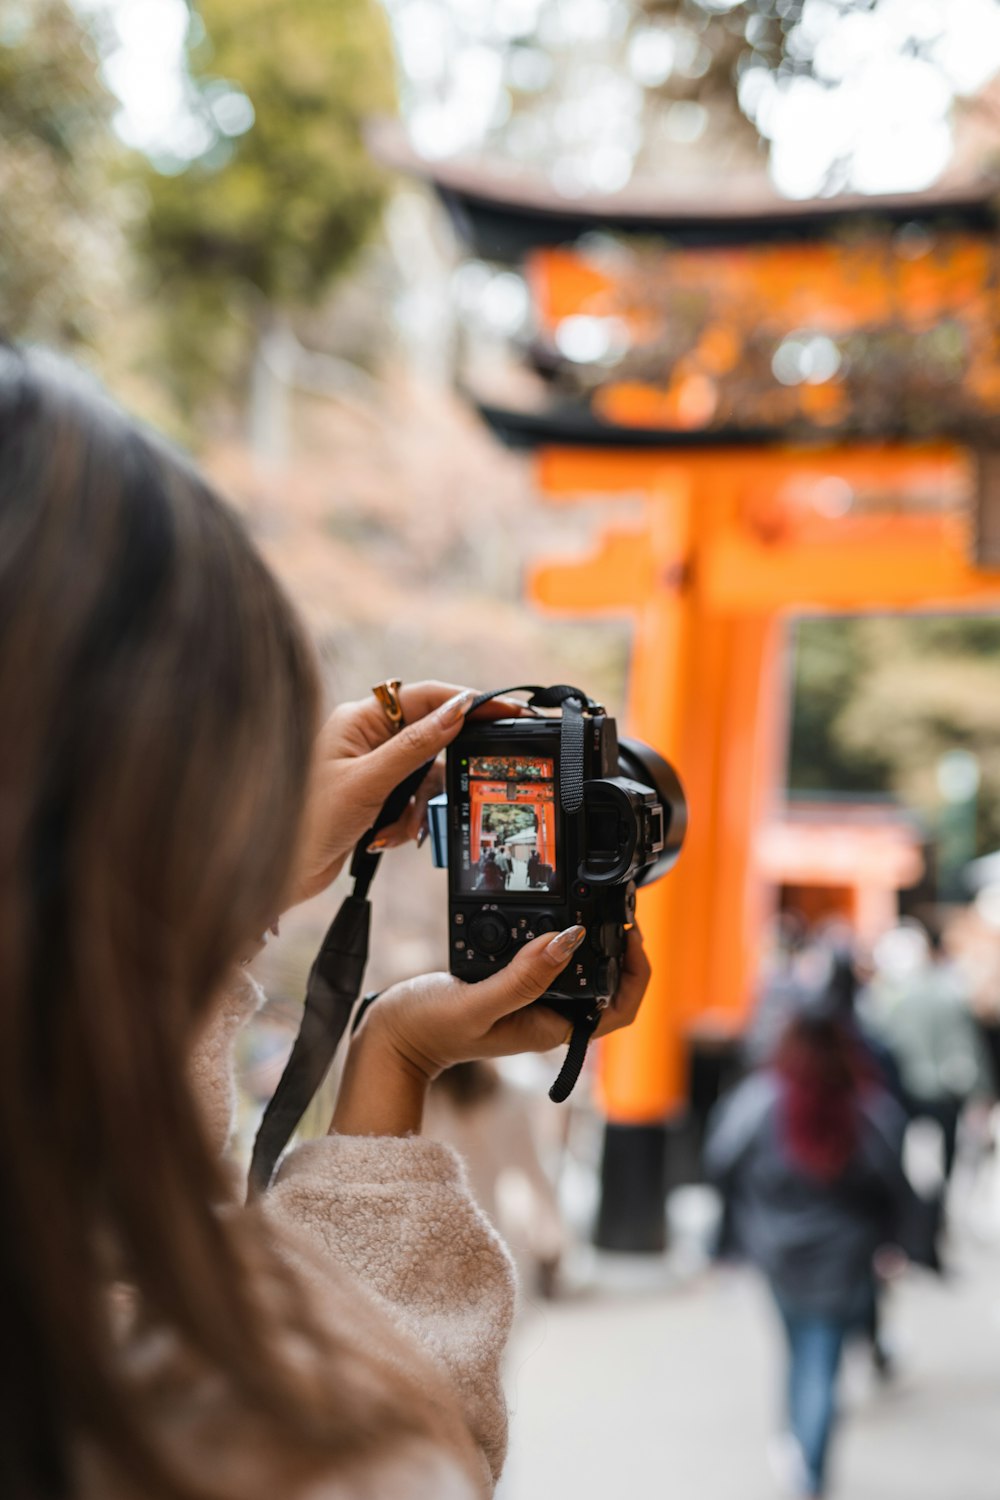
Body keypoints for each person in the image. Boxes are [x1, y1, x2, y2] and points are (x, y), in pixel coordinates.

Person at [0, 345, 652, 1500]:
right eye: (204, 788)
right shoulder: (150, 1412)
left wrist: (227, 893)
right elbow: (381, 1445)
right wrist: (393, 1059)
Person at [705, 1002, 909, 1498]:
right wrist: (893, 1242)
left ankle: (800, 1449)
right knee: (822, 1357)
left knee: (800, 1349)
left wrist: (728, 1238)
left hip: (777, 1253)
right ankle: (808, 1461)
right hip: (844, 1258)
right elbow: (893, 1183)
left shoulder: (759, 1101)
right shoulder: (867, 1107)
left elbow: (720, 1161)